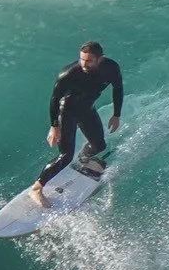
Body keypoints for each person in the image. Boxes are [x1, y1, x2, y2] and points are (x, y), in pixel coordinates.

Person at [30, 40, 123, 205]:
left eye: (89, 60)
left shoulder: (111, 68)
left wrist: (116, 115)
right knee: (65, 156)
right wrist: (54, 126)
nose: (84, 64)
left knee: (99, 146)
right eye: (82, 59)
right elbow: (54, 99)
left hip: (87, 109)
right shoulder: (69, 74)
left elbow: (118, 88)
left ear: (100, 59)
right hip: (67, 112)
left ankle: (83, 159)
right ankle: (37, 188)